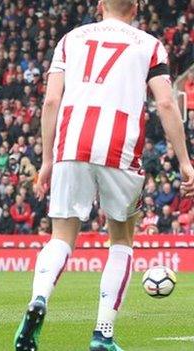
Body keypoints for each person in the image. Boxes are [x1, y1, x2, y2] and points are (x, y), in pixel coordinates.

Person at [14, 1, 194, 350]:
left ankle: (39, 299)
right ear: (136, 7)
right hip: (120, 146)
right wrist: (185, 161)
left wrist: (47, 160)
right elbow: (167, 103)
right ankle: (102, 335)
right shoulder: (148, 44)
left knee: (61, 236)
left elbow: (51, 101)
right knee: (121, 240)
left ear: (100, 6)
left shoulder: (70, 39)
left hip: (70, 144)